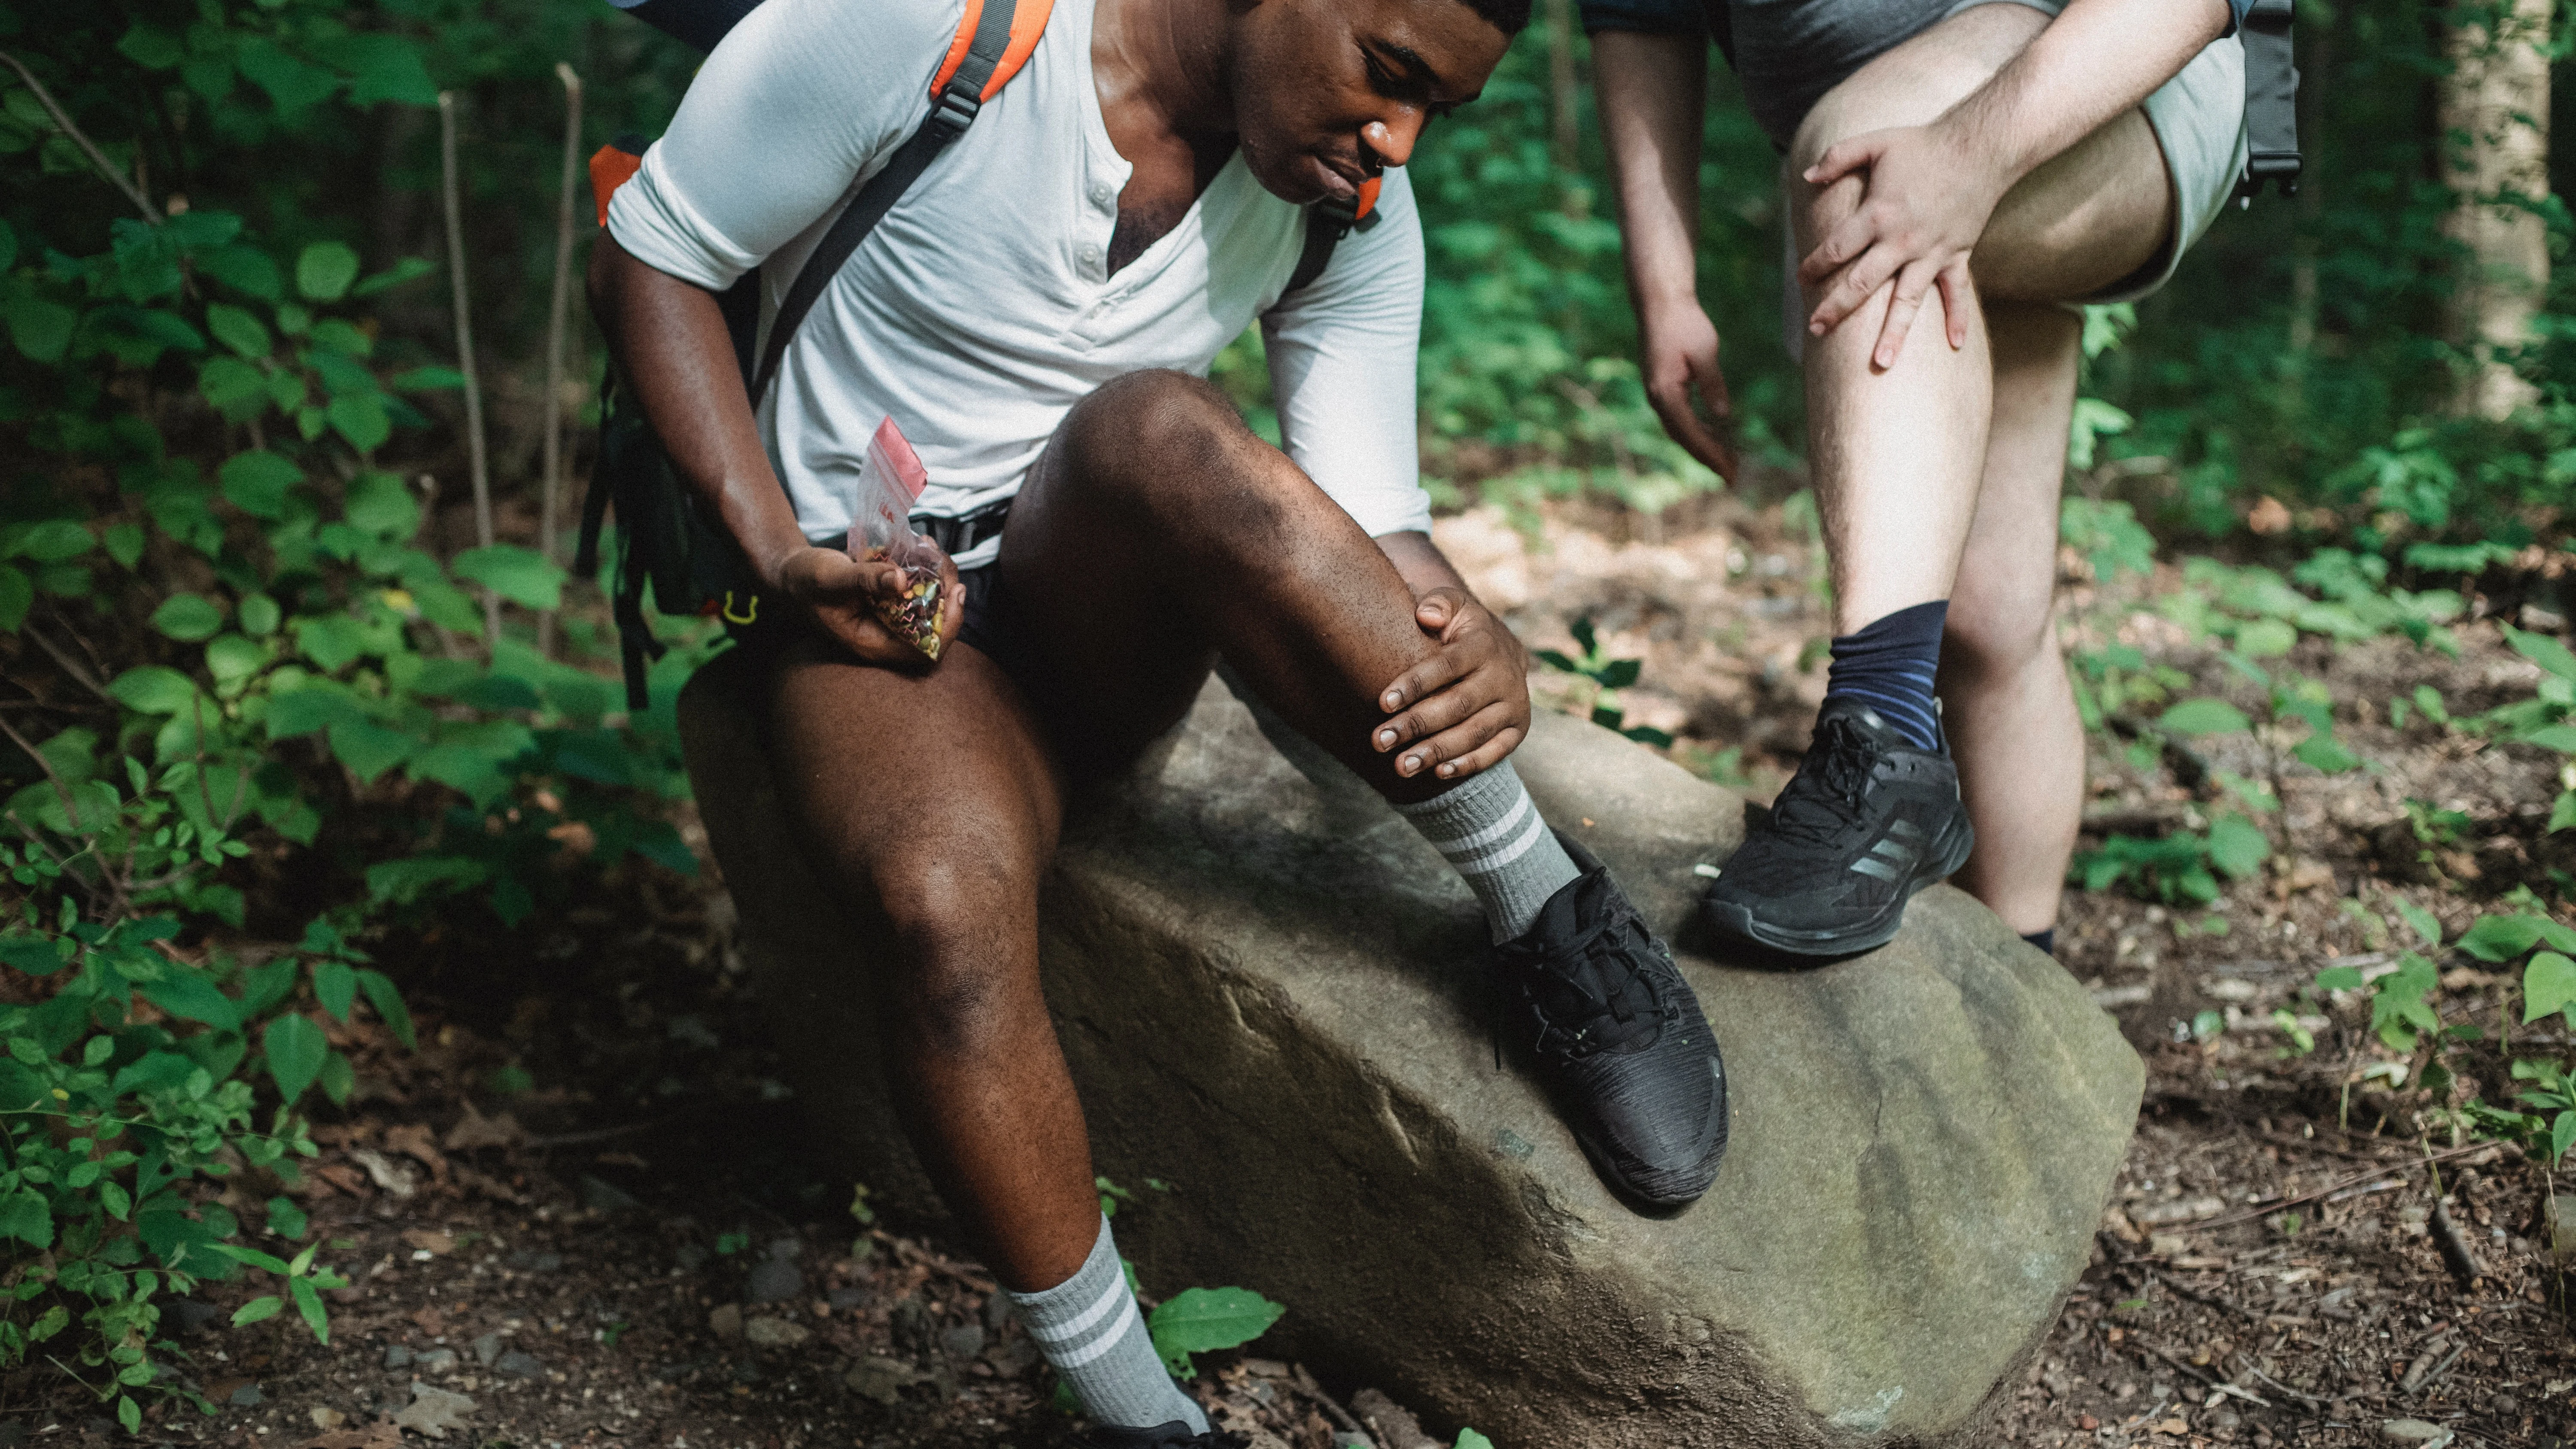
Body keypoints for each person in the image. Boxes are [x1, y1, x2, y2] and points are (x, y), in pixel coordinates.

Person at [589, 0, 1731, 1441]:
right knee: (942, 910)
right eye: (1390, 77)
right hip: (871, 625)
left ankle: (1550, 909)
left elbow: (1375, 528)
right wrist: (772, 552)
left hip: (1096, 618)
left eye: (1438, 107)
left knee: (1161, 429)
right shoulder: (928, 29)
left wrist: (1471, 639)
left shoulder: (1347, 209)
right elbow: (659, 248)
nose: (1397, 141)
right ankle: (1139, 1415)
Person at [1584, 0, 2252, 958]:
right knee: (1984, 617)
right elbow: (1643, 9)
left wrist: (1973, 158)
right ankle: (2026, 1026)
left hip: (2105, 87)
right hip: (1893, 151)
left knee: (1869, 164)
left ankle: (1883, 736)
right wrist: (1667, 287)